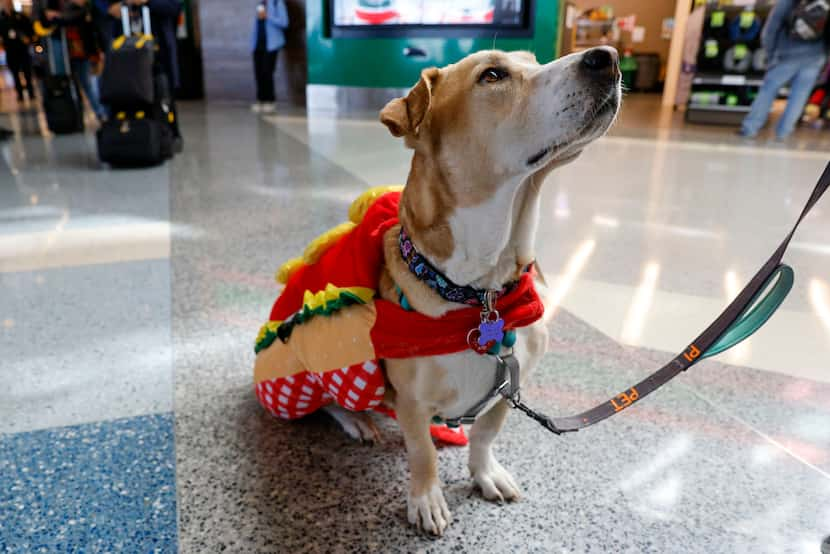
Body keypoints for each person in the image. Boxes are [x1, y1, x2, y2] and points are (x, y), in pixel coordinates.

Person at [740, 0, 830, 140]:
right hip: (816, 55)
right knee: (800, 95)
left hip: (787, 53)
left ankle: (750, 129)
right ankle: (783, 133)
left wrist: (770, 54)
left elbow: (773, 25)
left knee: (768, 90)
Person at [105, 0, 182, 142]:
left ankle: (166, 135)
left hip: (158, 55)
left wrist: (147, 2)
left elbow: (175, 6)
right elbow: (100, 7)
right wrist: (111, 9)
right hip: (125, 55)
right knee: (127, 94)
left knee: (162, 94)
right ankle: (129, 136)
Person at [33, 0, 107, 121]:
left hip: (81, 46)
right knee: (65, 83)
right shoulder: (45, 3)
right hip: (58, 48)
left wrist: (59, 17)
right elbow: (39, 19)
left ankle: (100, 113)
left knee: (87, 82)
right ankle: (73, 117)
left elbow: (84, 12)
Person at [250, 0, 288, 114]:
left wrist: (268, 16)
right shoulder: (260, 3)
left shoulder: (278, 3)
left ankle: (270, 101)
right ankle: (260, 100)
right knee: (258, 73)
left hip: (272, 44)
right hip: (258, 44)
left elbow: (284, 22)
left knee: (267, 72)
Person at [0, 0, 35, 104]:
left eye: (9, 3)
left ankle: (31, 92)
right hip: (10, 49)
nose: (7, 6)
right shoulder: (1, 19)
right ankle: (19, 94)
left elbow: (29, 29)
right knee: (14, 72)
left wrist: (29, 38)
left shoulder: (20, 16)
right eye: (5, 4)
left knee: (27, 71)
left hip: (22, 48)